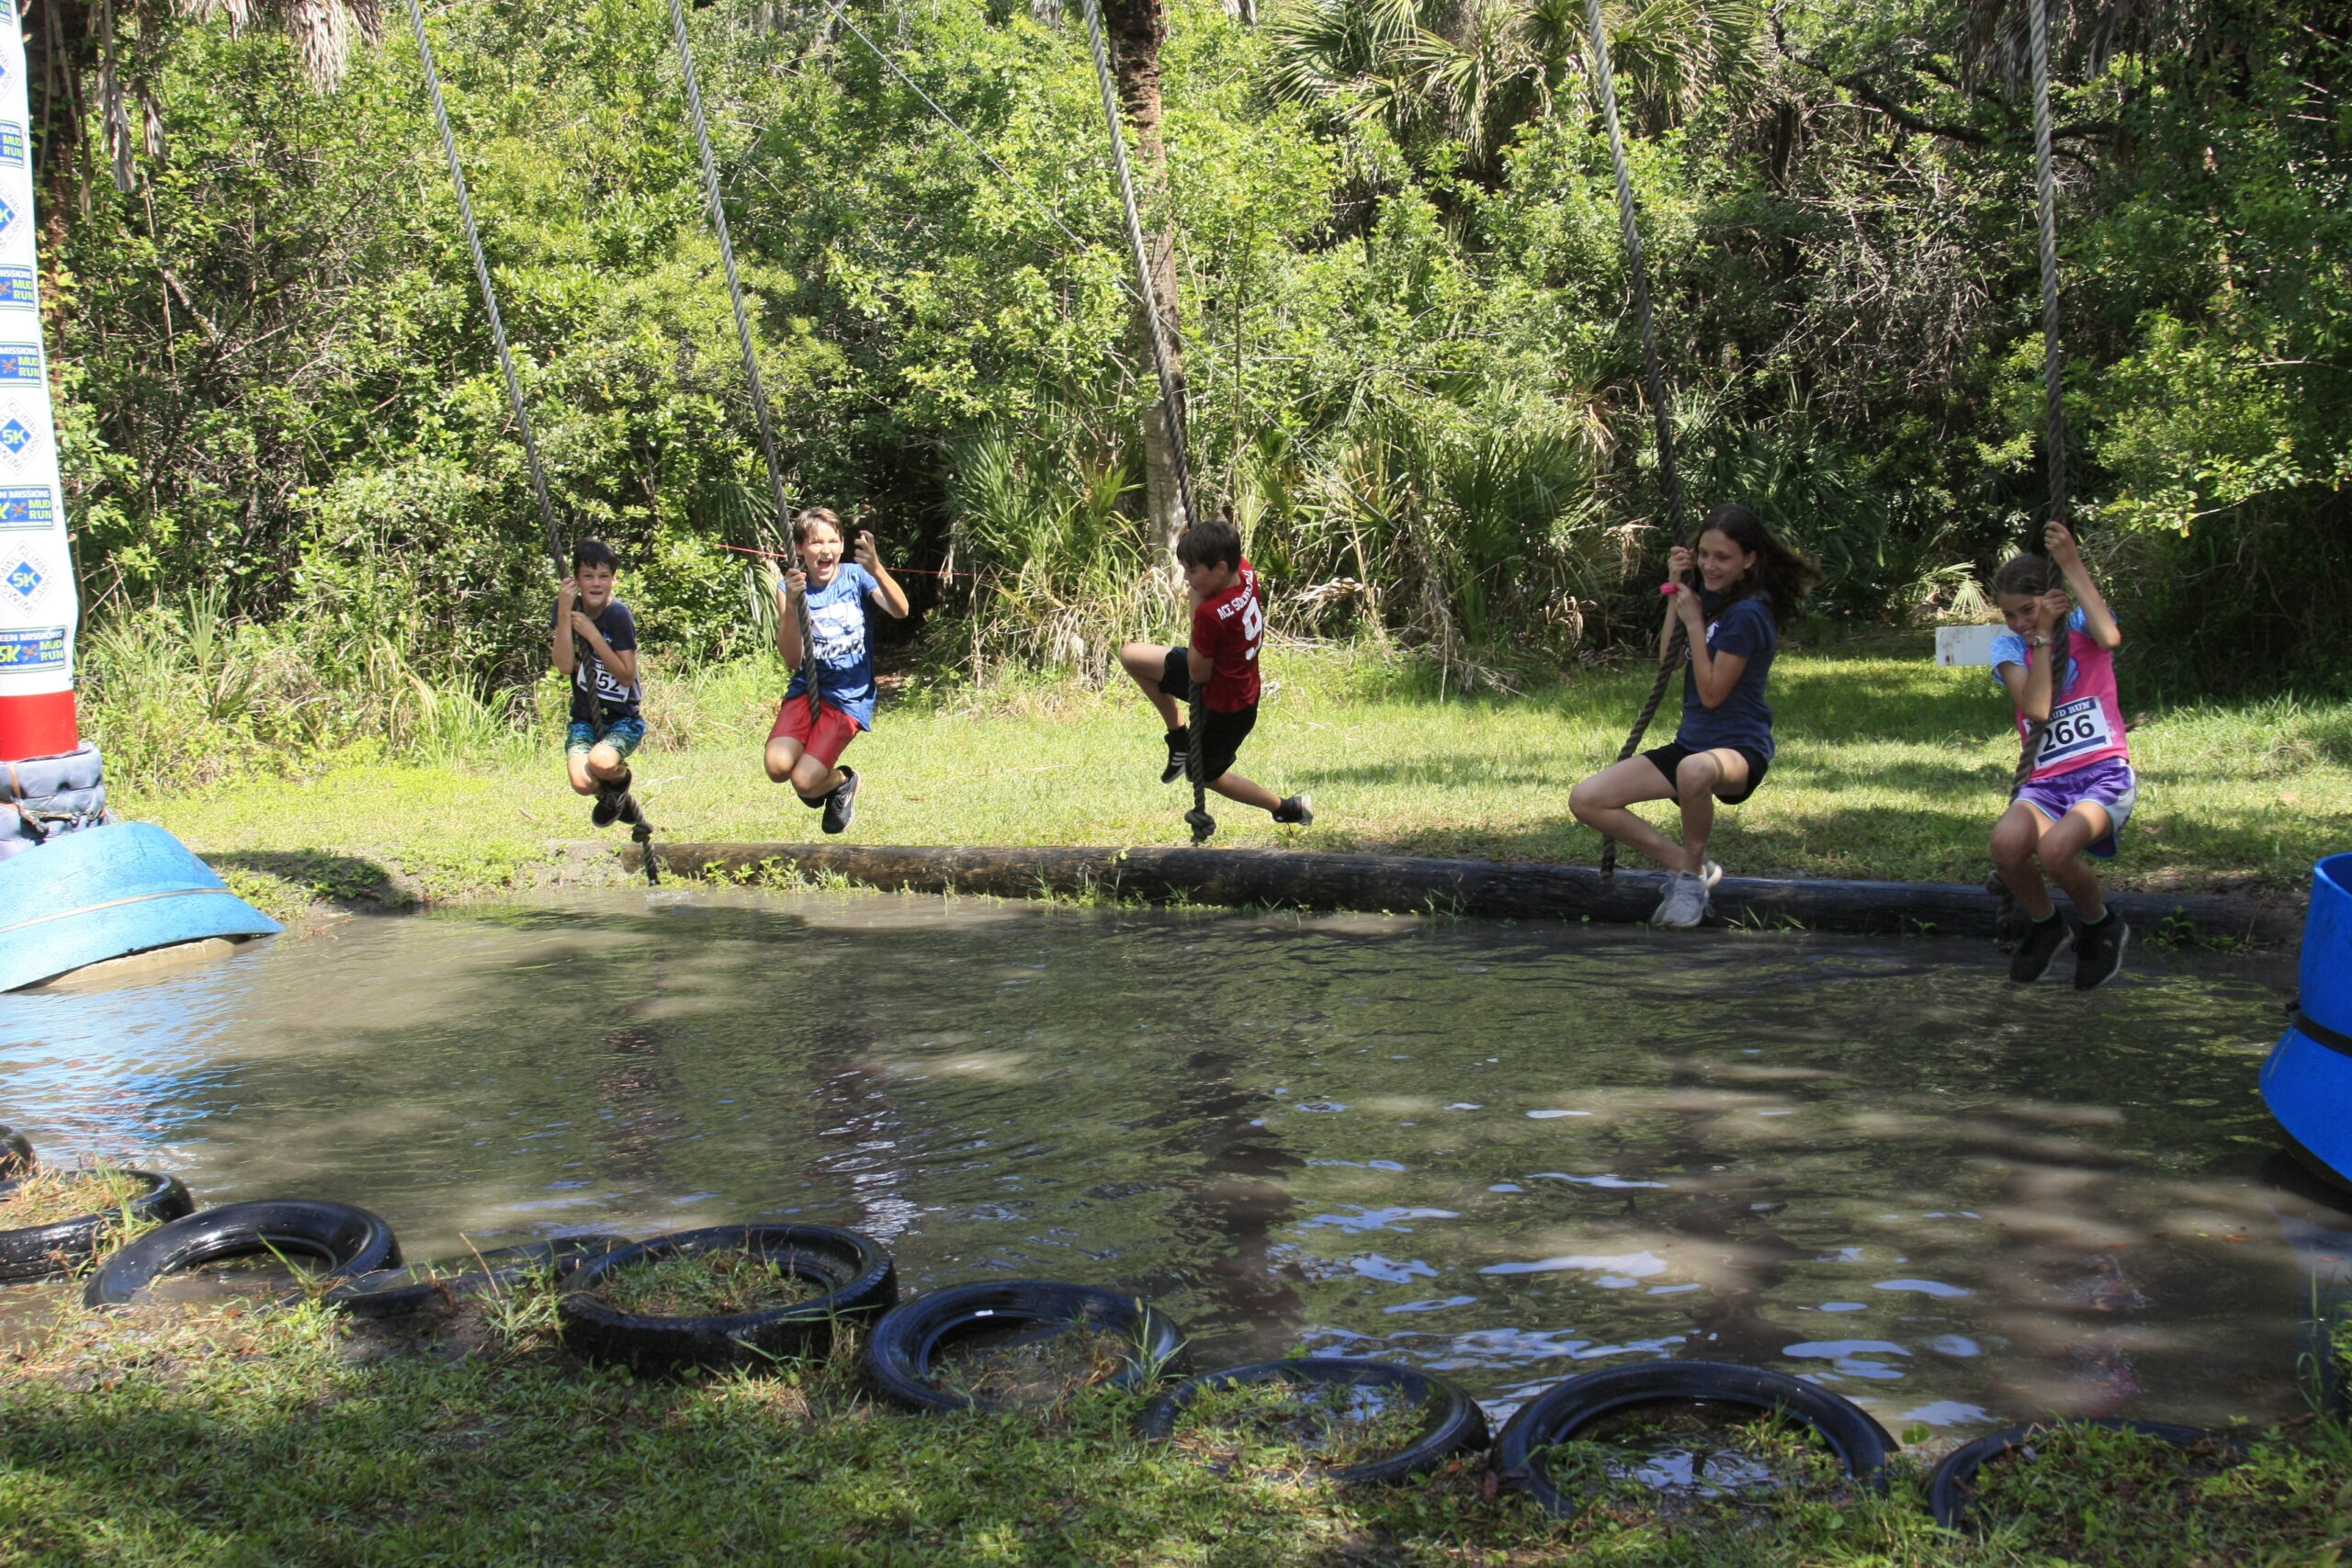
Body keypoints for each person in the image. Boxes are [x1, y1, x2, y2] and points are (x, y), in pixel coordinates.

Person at [1568, 502, 1818, 928]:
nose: (1710, 565)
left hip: (1739, 749)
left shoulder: (1749, 614)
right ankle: (1693, 867)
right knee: (1587, 799)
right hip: (1693, 745)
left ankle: (1688, 879)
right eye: (1704, 555)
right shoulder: (1711, 598)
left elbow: (1713, 693)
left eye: (1722, 557)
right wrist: (1676, 590)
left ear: (1749, 560)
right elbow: (1670, 661)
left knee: (1694, 770)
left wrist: (1697, 626)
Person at [1987, 521, 2132, 989]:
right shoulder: (2011, 648)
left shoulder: (2079, 627)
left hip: (2102, 775)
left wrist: (2071, 564)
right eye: (2010, 615)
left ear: (2049, 599)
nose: (2020, 623)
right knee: (2006, 845)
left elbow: (2110, 638)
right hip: (2047, 781)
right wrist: (2042, 637)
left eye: (2027, 611)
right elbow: (2037, 708)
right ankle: (2047, 925)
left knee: (2055, 850)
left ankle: (2100, 925)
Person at [1116, 515, 1313, 832]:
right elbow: (1220, 546)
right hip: (1228, 679)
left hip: (1228, 706)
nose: (1188, 581)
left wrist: (1196, 606)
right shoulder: (1245, 571)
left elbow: (1198, 673)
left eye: (1192, 572)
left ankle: (1286, 807)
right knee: (1132, 656)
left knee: (1204, 776)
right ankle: (1179, 736)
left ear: (1220, 568)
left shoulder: (1210, 613)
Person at [763, 506, 910, 835]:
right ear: (801, 548)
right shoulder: (789, 588)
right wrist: (793, 606)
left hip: (847, 699)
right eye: (815, 543)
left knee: (804, 781)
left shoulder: (857, 577)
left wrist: (877, 568)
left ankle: (844, 780)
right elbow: (791, 658)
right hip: (808, 689)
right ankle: (826, 784)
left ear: (842, 545)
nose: (825, 549)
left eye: (833, 540)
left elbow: (901, 610)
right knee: (777, 767)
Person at [551, 538, 647, 829]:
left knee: (602, 762)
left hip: (622, 720)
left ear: (614, 580)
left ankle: (620, 780)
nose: (596, 583)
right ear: (577, 580)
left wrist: (593, 635)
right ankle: (614, 796)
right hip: (585, 718)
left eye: (604, 576)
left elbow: (627, 675)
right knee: (582, 782)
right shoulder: (567, 606)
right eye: (588, 576)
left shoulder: (617, 615)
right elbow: (565, 665)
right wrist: (565, 614)